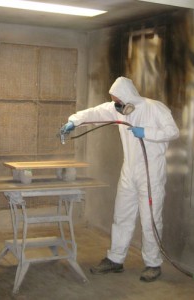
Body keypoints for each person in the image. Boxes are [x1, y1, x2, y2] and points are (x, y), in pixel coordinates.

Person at [60, 76, 179, 282]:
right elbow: (96, 112)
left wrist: (146, 132)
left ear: (128, 97)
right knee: (121, 216)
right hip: (129, 170)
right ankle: (115, 259)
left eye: (118, 101)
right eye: (114, 101)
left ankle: (153, 263)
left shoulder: (155, 108)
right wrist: (74, 121)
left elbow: (173, 132)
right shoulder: (119, 109)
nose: (116, 105)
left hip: (151, 173)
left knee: (150, 220)